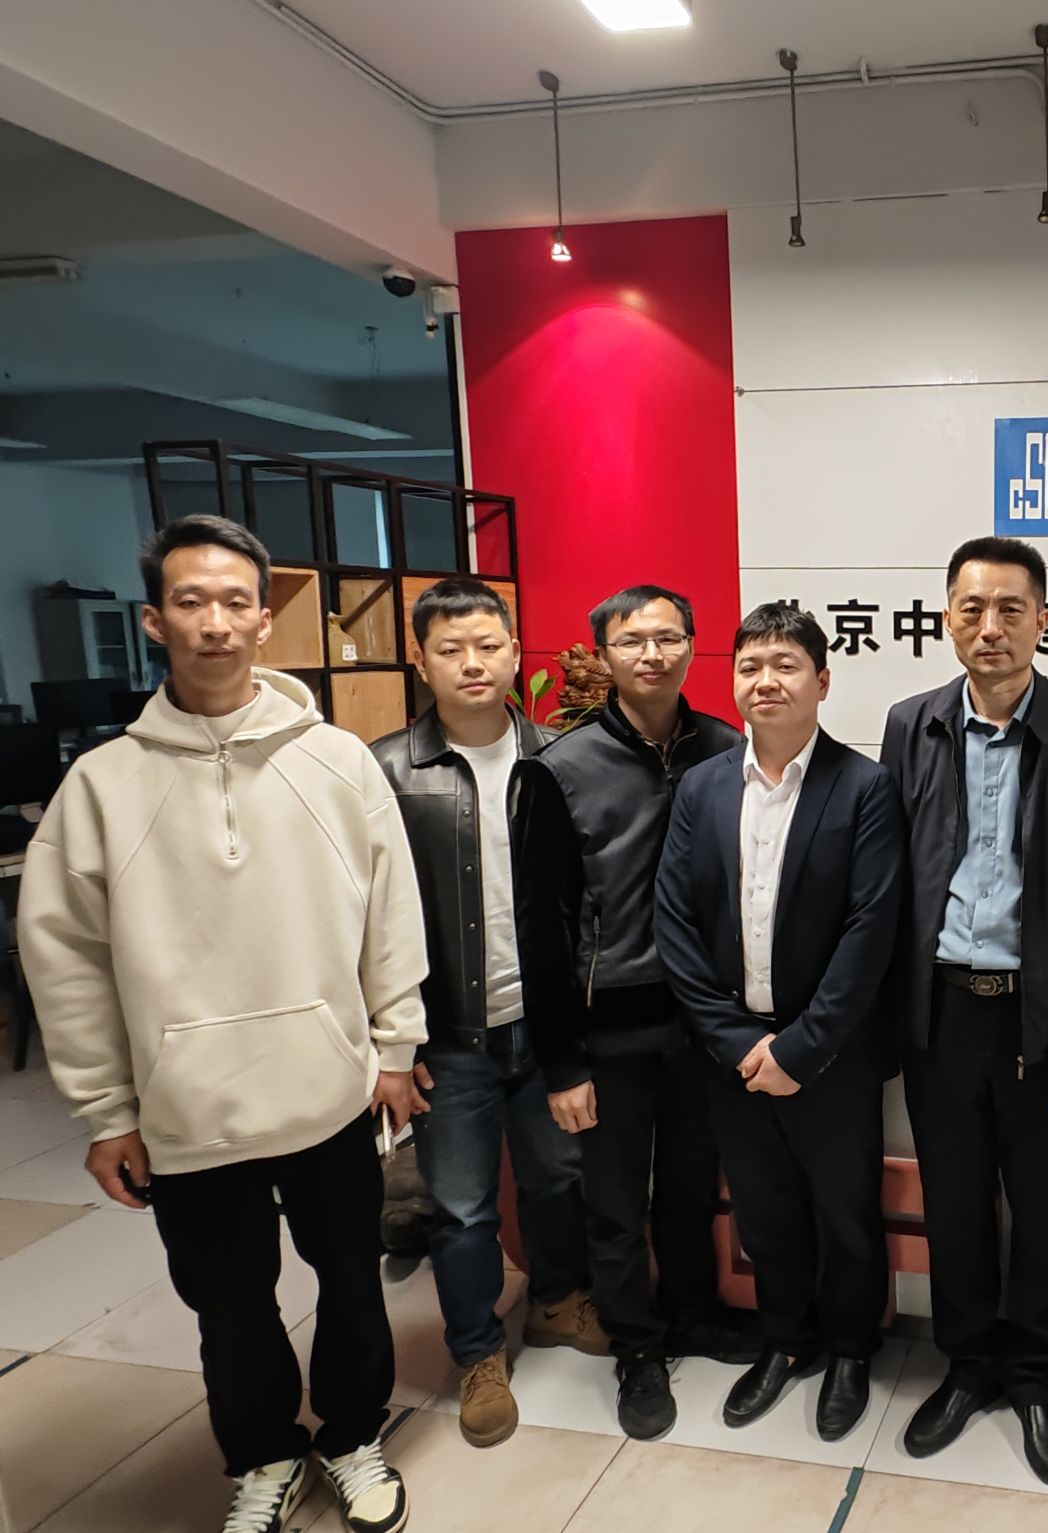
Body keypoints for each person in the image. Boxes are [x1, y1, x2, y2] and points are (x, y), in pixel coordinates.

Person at [19, 516, 423, 1533]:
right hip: (188, 1112)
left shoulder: (336, 760)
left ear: (264, 617)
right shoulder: (102, 785)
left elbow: (392, 914)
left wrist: (395, 1048)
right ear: (155, 621)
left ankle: (353, 1435)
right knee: (230, 1305)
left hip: (329, 1092)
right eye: (191, 601)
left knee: (352, 1286)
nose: (216, 622)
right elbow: (66, 960)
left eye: (236, 601)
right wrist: (108, 1111)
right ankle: (265, 1456)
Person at [881, 536, 1048, 1485]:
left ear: (1043, 620)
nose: (990, 627)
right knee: (952, 1202)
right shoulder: (911, 725)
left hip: (1042, 1021)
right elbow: (890, 879)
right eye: (972, 608)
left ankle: (1031, 1373)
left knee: (1042, 1206)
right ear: (947, 617)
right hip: (941, 1012)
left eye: (1010, 609)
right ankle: (967, 1364)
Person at [511, 584, 759, 1441]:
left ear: (693, 645)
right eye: (631, 640)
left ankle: (691, 1312)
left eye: (668, 637)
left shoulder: (726, 749)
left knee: (690, 1187)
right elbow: (539, 924)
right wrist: (560, 1061)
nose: (652, 654)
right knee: (615, 1203)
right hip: (607, 1022)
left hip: (704, 1020)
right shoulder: (559, 767)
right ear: (603, 655)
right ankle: (637, 1343)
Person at [655, 603, 907, 1440]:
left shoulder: (865, 787)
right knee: (764, 1212)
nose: (765, 680)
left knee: (847, 1212)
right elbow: (674, 923)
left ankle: (851, 1348)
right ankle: (786, 1339)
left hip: (831, 1054)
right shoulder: (702, 786)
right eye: (749, 665)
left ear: (822, 681)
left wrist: (802, 1047)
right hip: (733, 1052)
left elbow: (871, 929)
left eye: (785, 665)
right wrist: (738, 1042)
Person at [369, 578, 604, 1451]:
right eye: (450, 649)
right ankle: (475, 1352)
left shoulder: (559, 757)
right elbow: (363, 918)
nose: (472, 663)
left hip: (543, 1027)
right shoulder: (385, 770)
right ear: (420, 659)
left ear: (515, 651)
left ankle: (557, 1299)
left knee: (556, 1178)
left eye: (488, 645)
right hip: (449, 1038)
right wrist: (393, 1040)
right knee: (462, 1206)